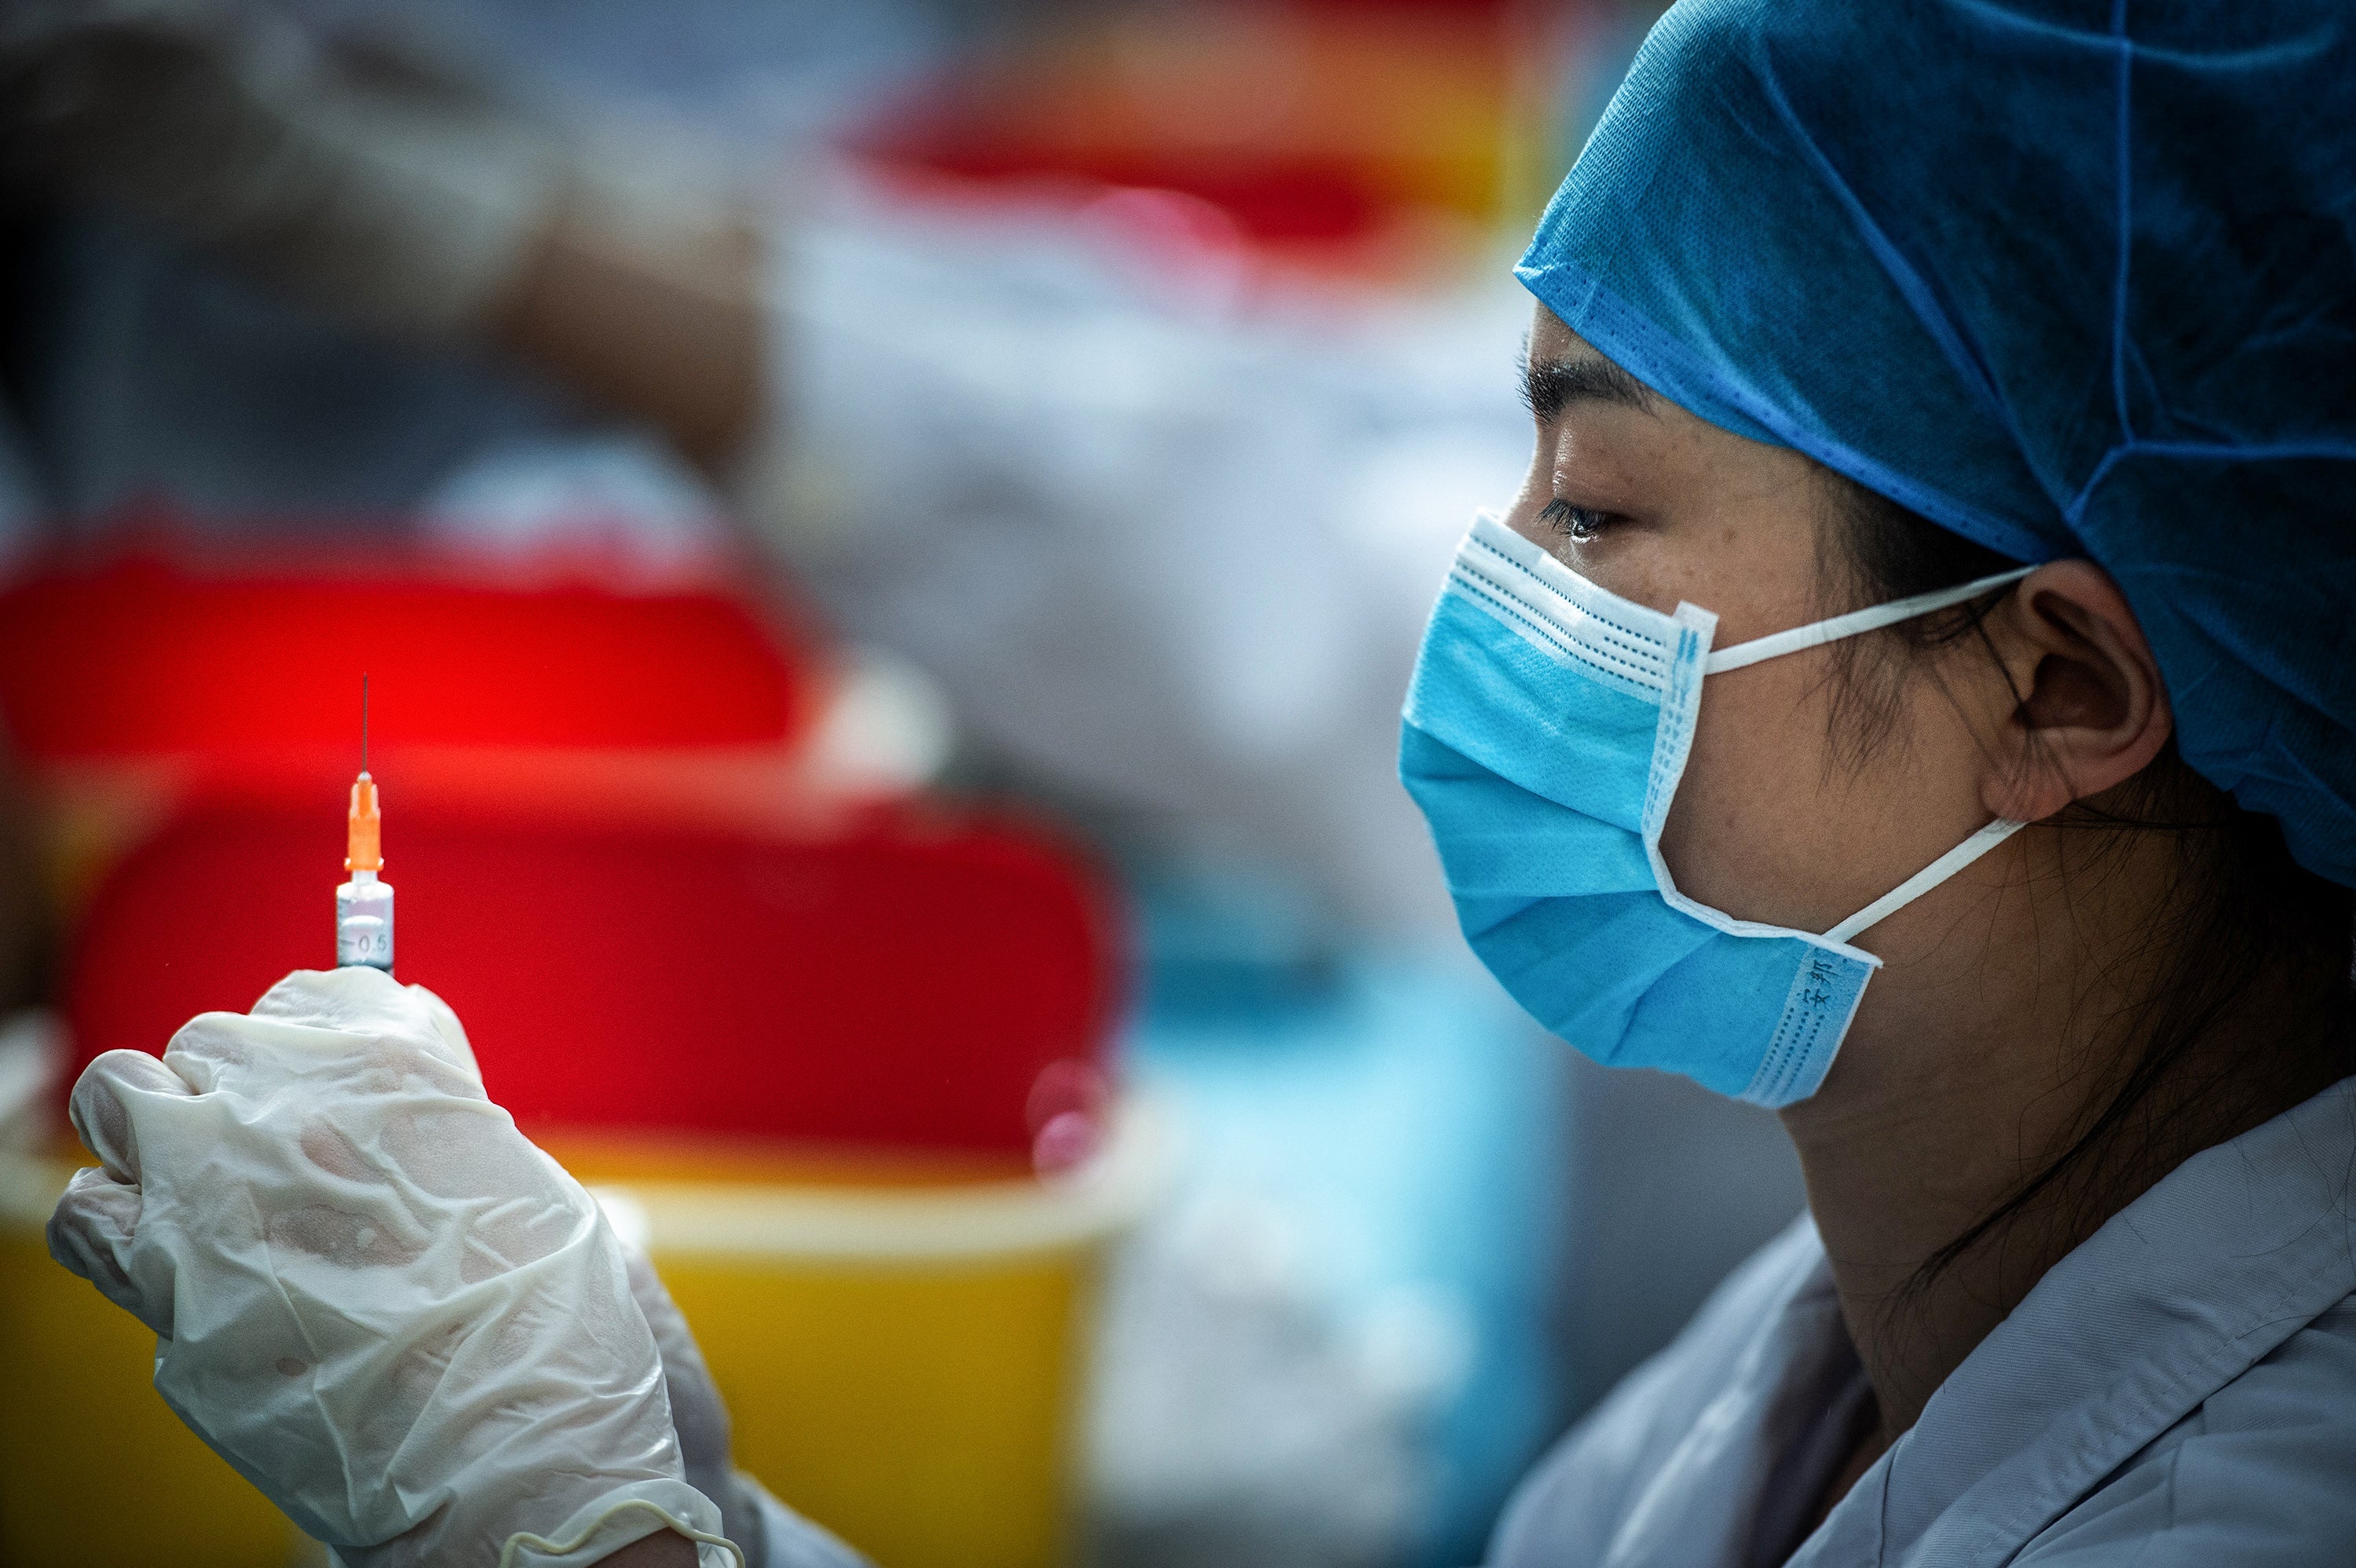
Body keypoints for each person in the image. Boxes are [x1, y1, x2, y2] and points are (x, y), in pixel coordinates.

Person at [43, 1, 2356, 1564]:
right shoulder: (1877, 1313)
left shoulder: (2248, 1504)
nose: (1477, 604)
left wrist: (585, 1533)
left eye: (1598, 516)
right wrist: (675, 1502)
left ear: (2058, 688)